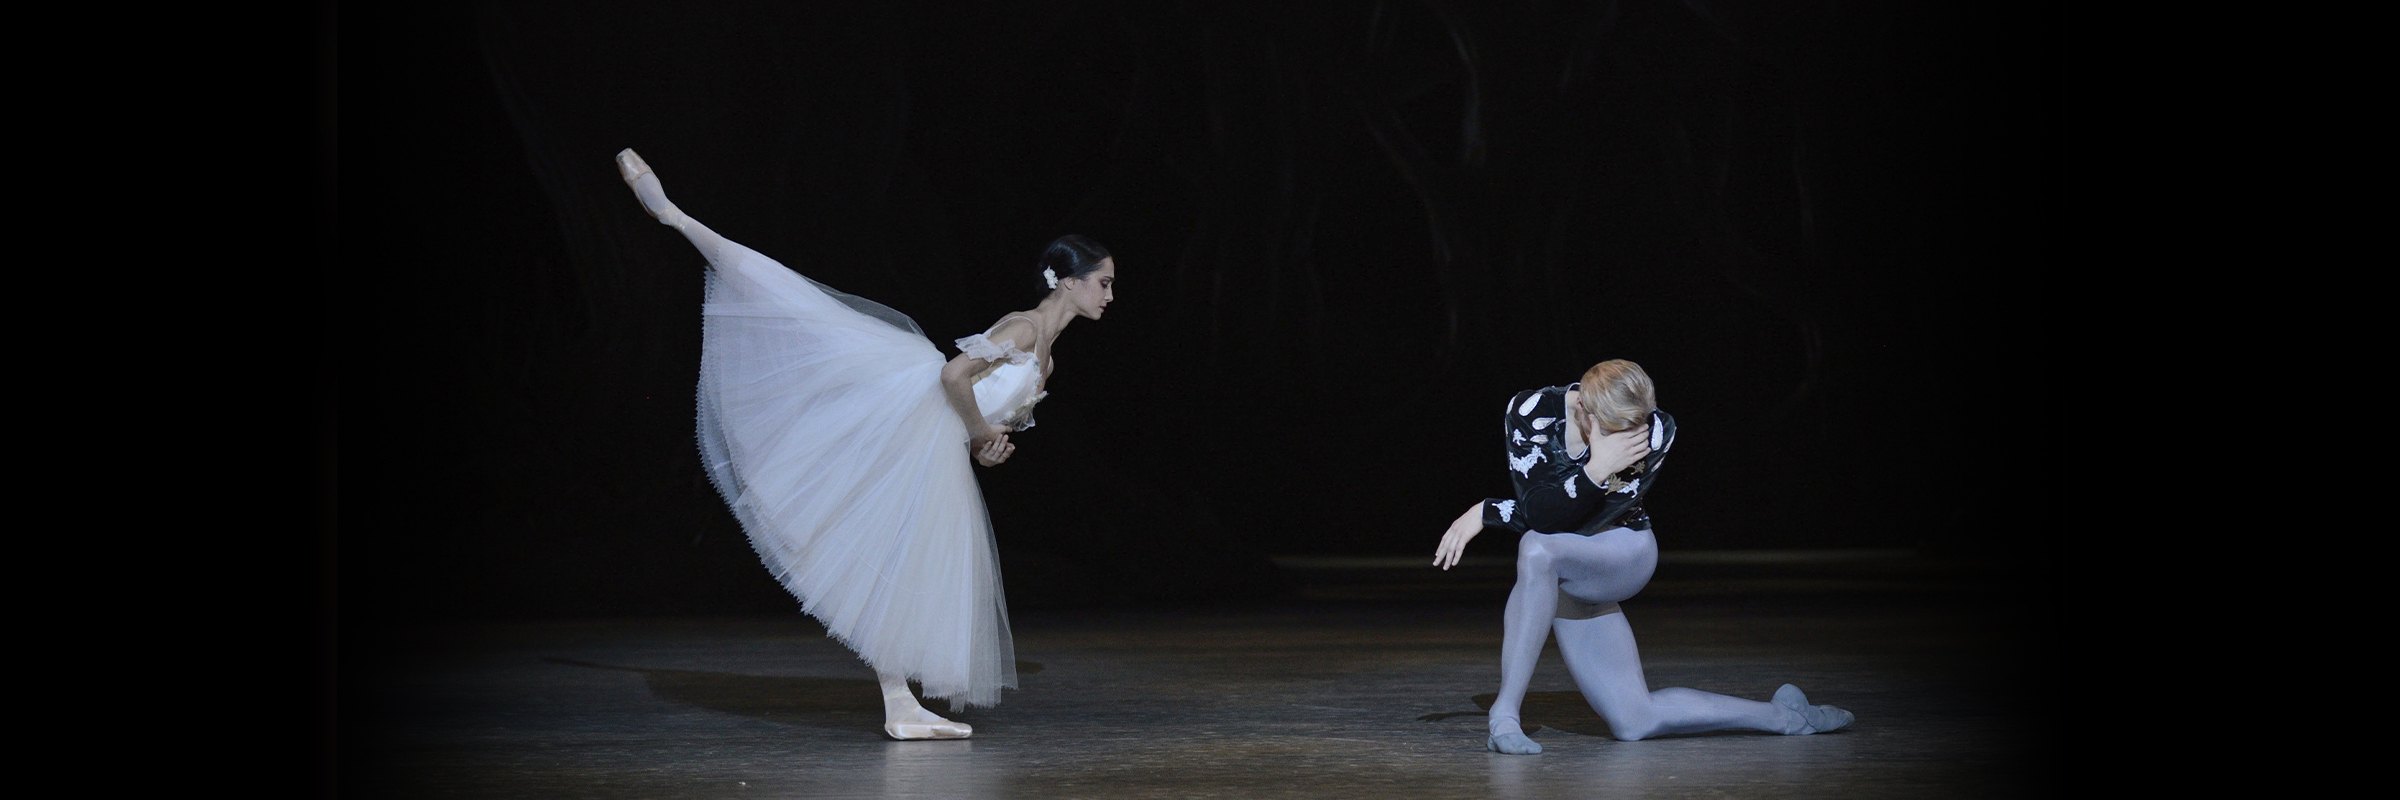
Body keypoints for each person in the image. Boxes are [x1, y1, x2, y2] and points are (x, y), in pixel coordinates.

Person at [615, 149, 1116, 740]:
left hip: (938, 448)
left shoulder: (1048, 358)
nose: (1109, 296)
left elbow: (977, 412)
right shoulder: (1025, 329)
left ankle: (899, 702)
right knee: (801, 312)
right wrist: (981, 432)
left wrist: (985, 448)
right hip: (912, 424)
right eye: (1104, 284)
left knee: (902, 567)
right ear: (1072, 281)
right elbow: (953, 377)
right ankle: (675, 216)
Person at [1431, 359, 1854, 754]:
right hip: (1564, 566)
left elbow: (1573, 523)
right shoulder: (1531, 412)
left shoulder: (1657, 429)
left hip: (1622, 551)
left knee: (1536, 547)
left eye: (1637, 425)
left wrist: (1491, 511)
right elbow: (1542, 511)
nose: (1632, 437)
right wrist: (1593, 470)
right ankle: (1787, 717)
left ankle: (1504, 715)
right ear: (1584, 409)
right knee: (1634, 721)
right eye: (1617, 430)